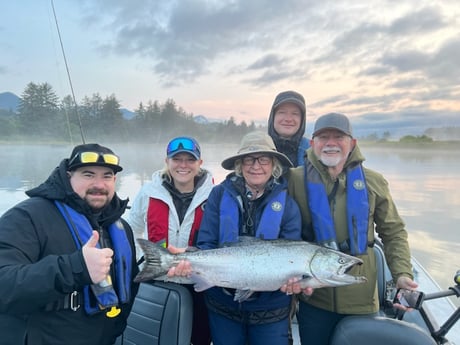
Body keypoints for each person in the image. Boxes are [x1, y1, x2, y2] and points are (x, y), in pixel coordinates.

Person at [287, 113, 418, 345]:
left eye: (339, 136)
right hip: (314, 300)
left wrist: (402, 274)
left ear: (353, 143)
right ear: (312, 143)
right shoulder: (293, 179)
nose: (330, 143)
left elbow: (393, 232)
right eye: (323, 137)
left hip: (363, 301)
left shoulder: (374, 181)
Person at [168, 131, 309, 345]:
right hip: (222, 306)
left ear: (274, 165)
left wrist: (295, 281)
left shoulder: (288, 205)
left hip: (270, 311)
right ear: (240, 165)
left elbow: (292, 254)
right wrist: (192, 260)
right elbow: (206, 242)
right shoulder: (218, 194)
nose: (256, 166)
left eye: (263, 159)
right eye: (249, 159)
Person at [0, 143, 139, 345]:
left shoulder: (120, 227)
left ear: (115, 180)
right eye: (88, 175)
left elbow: (129, 288)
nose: (99, 184)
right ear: (68, 176)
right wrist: (75, 268)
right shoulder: (27, 217)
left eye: (106, 176)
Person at [128, 136, 214, 345]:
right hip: (157, 279)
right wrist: (145, 257)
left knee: (199, 338)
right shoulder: (148, 192)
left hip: (199, 282)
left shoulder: (215, 194)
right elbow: (132, 230)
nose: (183, 165)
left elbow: (220, 240)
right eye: (177, 159)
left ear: (199, 163)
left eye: (190, 159)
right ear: (167, 161)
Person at [268, 90, 310, 167]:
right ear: (273, 117)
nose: (288, 119)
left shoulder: (314, 152)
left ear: (302, 120)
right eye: (282, 112)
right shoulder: (257, 150)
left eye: (295, 113)